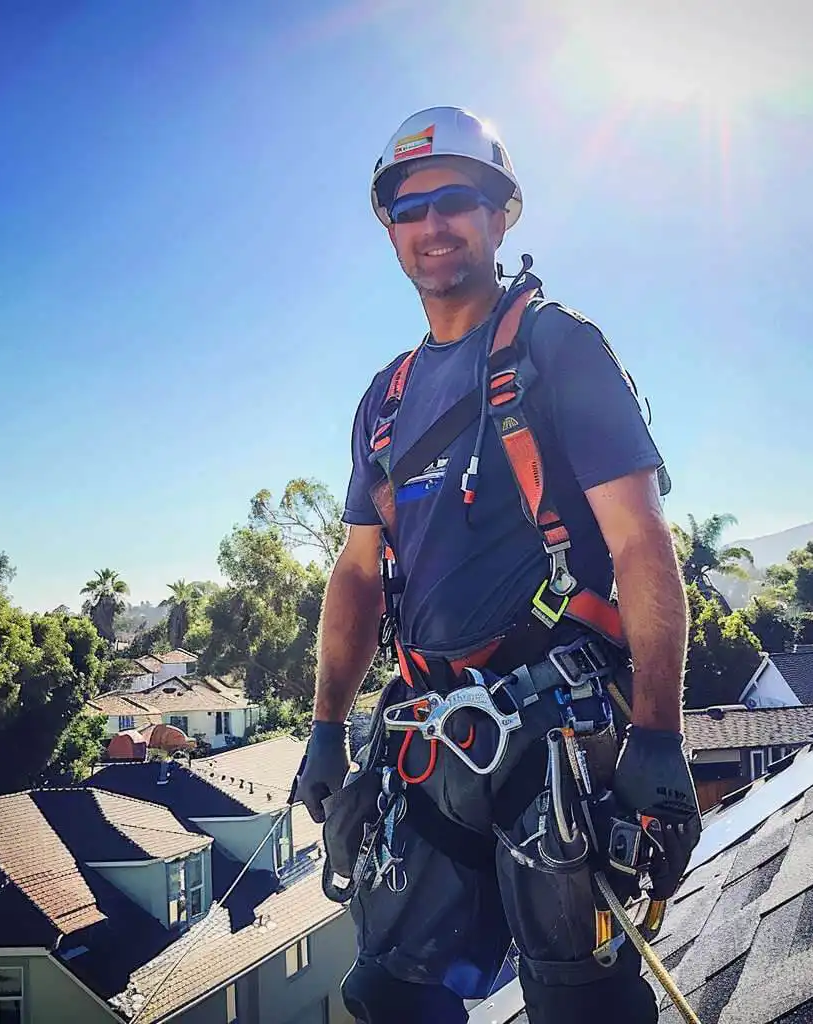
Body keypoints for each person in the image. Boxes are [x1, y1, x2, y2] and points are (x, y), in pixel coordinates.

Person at [292, 106, 701, 1024]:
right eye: (409, 209)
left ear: (502, 213)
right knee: (390, 998)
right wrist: (325, 727)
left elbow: (641, 542)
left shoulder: (556, 346)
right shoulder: (386, 398)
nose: (432, 226)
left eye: (456, 201)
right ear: (390, 230)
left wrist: (659, 737)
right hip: (432, 739)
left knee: (579, 1006)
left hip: (554, 738)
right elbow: (359, 574)